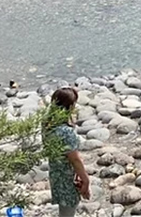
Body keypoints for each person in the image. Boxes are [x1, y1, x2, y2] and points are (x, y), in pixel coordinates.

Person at [43, 87, 90, 217]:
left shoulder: (47, 123)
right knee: (67, 212)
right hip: (68, 178)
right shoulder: (66, 132)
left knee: (64, 211)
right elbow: (74, 159)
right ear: (70, 107)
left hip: (56, 173)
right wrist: (85, 180)